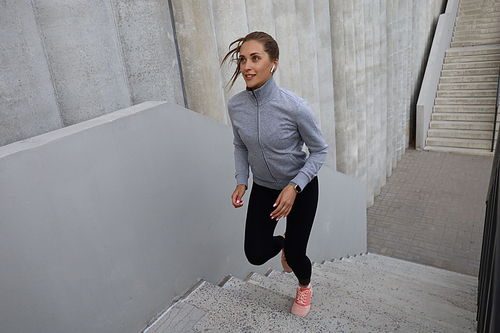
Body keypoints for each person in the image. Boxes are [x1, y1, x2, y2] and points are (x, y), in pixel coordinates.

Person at [222, 31, 328, 318]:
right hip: (265, 189)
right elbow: (239, 146)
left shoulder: (294, 107)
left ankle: (304, 285)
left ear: (274, 63)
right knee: (255, 254)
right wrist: (241, 181)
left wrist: (295, 186)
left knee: (296, 256)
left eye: (255, 58)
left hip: (300, 189)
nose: (247, 66)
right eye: (243, 59)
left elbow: (319, 151)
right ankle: (283, 242)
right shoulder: (236, 107)